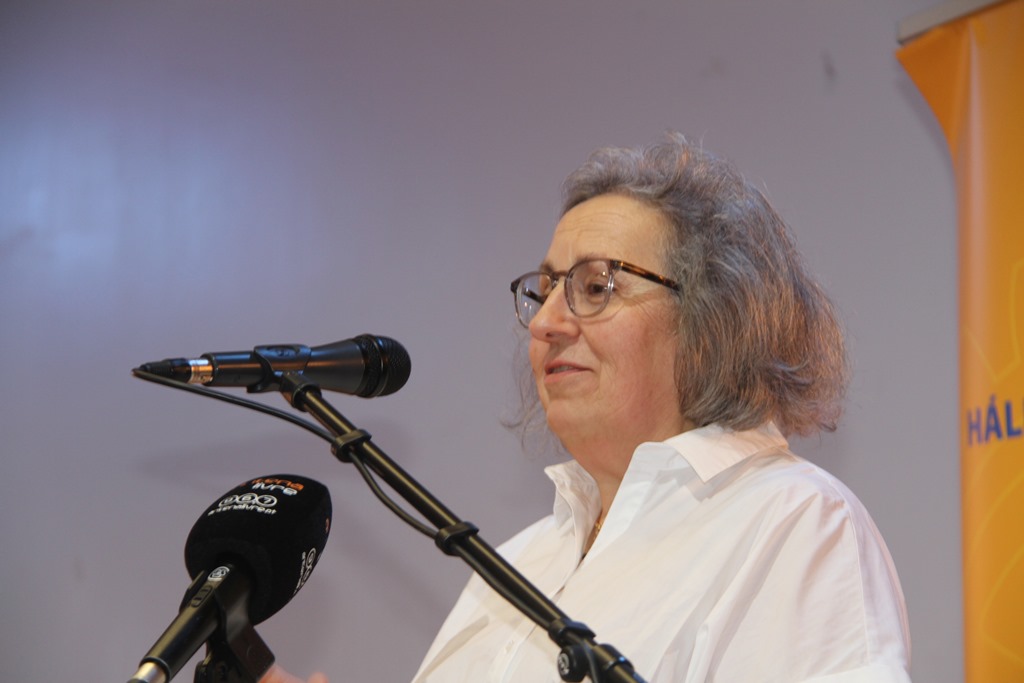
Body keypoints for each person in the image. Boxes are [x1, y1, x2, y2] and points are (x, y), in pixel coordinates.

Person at [264, 133, 911, 682]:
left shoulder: (794, 520)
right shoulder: (520, 561)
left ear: (712, 318)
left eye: (596, 287)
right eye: (545, 289)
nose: (546, 321)